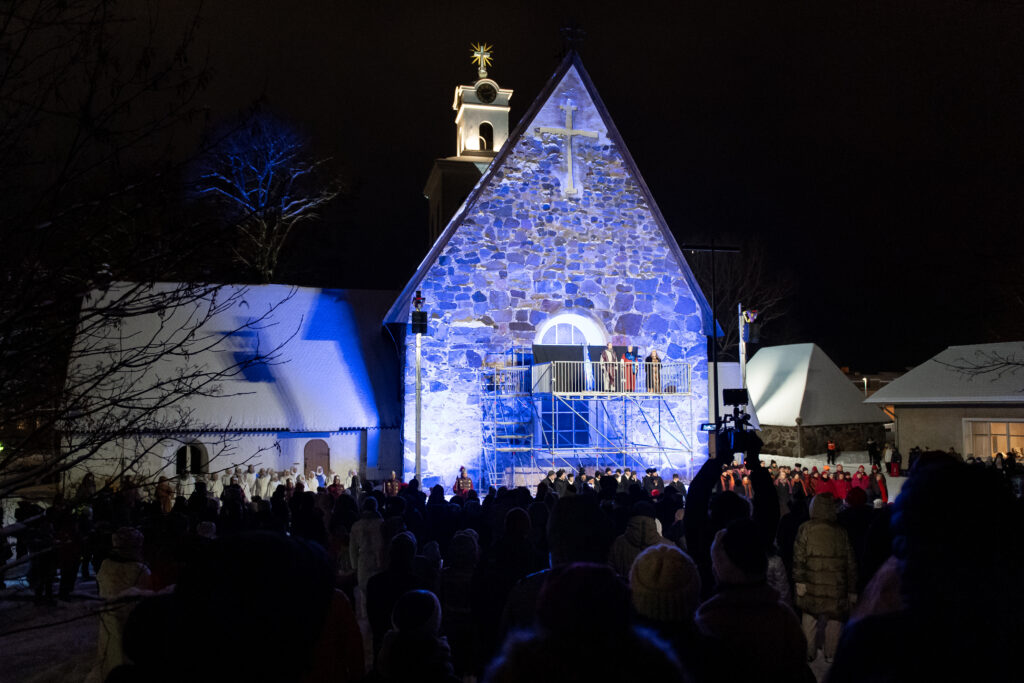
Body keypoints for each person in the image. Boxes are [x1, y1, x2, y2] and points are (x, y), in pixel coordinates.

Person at [793, 493, 857, 663]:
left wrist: (799, 581)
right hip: (836, 585)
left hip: (811, 583)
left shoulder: (805, 528)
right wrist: (852, 589)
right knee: (835, 620)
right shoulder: (840, 532)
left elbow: (798, 558)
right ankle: (831, 653)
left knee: (809, 617)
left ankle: (808, 652)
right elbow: (850, 563)